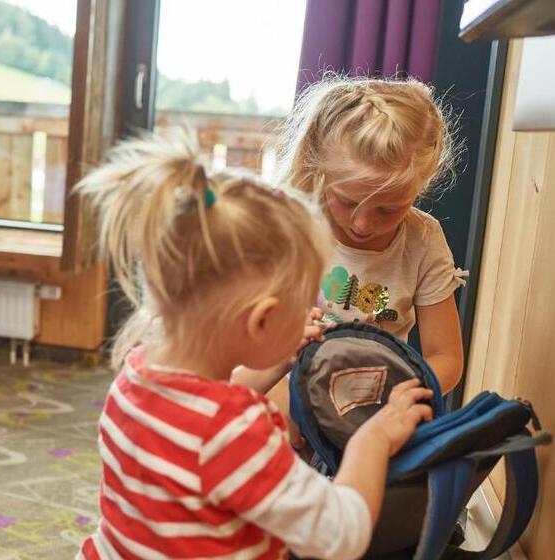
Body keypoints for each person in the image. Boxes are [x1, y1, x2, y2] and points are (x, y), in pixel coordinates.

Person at [75, 130, 433, 559]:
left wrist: (276, 355)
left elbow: (201, 429)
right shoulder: (238, 431)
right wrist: (372, 441)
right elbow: (341, 536)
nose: (310, 316)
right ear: (261, 320)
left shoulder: (135, 378)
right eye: (303, 305)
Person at [274, 76, 464, 396]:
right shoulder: (293, 225)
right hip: (286, 390)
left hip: (376, 404)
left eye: (387, 210)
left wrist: (406, 393)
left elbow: (445, 356)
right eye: (348, 202)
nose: (363, 224)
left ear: (422, 185)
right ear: (319, 170)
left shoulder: (424, 239)